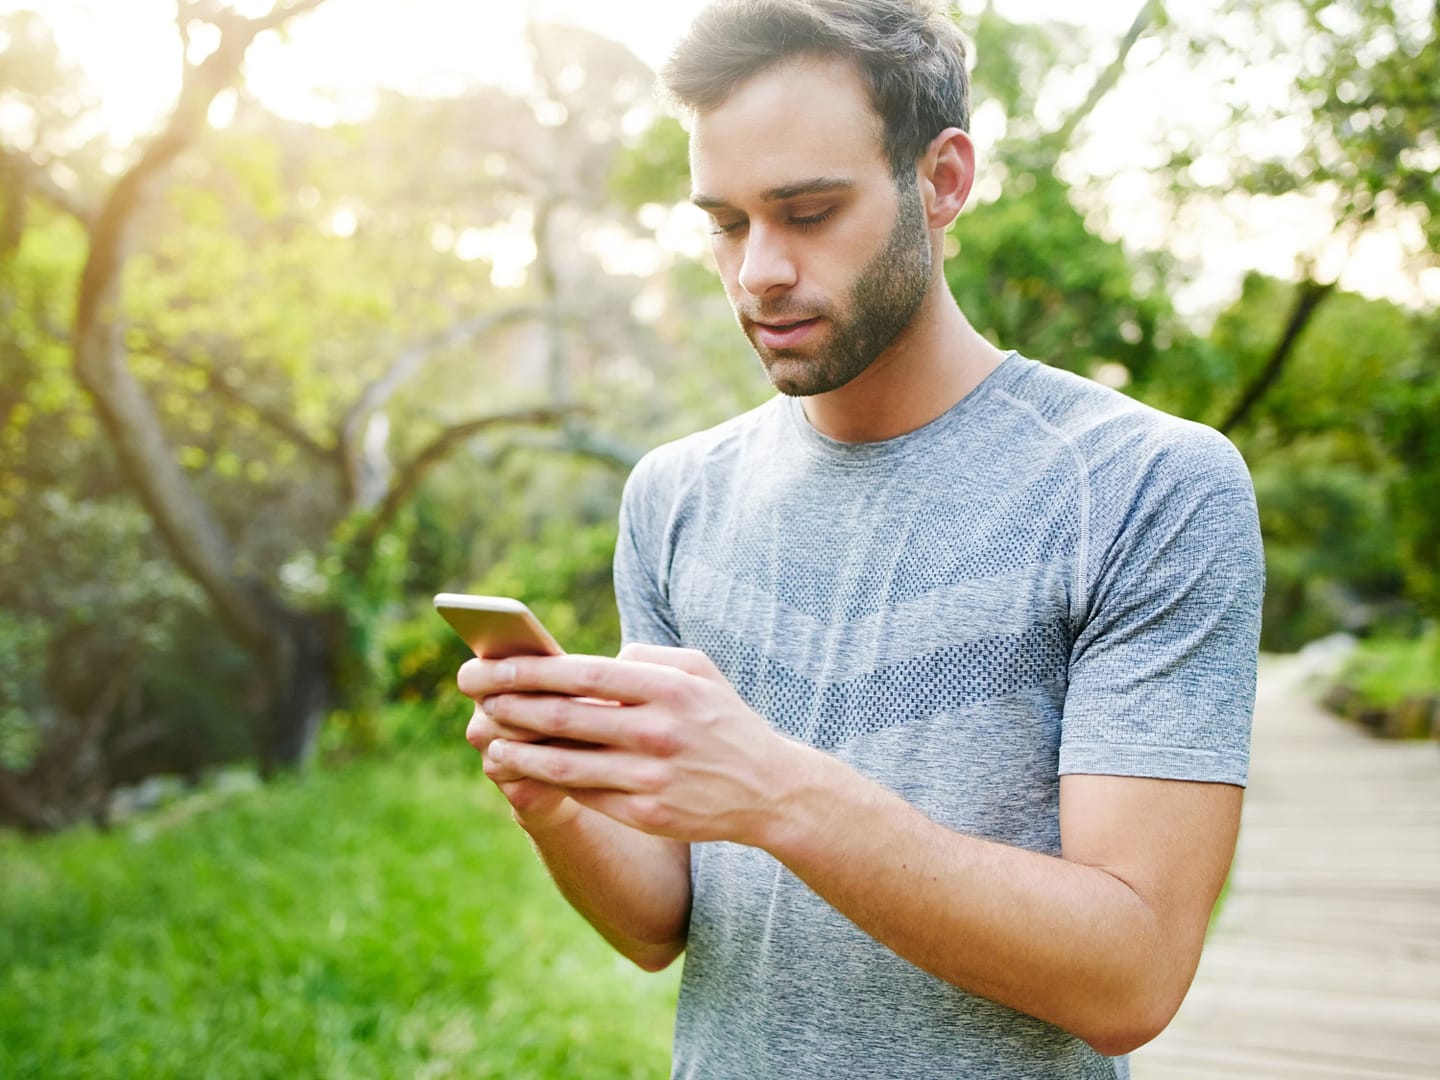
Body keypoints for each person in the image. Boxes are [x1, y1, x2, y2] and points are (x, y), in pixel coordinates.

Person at [458, 1, 1264, 1076]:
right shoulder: (674, 497)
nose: (758, 273)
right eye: (729, 223)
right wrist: (552, 798)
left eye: (807, 211)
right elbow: (662, 921)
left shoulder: (1145, 487)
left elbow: (1132, 976)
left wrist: (775, 790)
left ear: (943, 181)